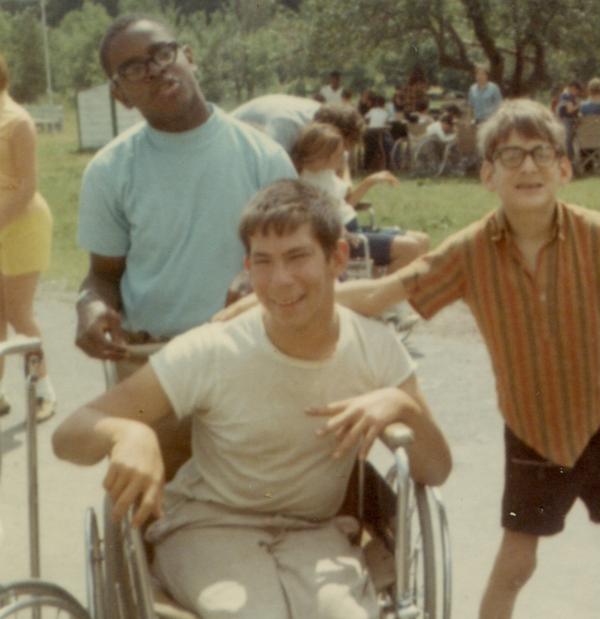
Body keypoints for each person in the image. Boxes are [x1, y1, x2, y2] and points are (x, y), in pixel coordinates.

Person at [216, 98, 600, 618]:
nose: (527, 167)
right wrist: (264, 304)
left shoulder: (596, 234)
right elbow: (381, 293)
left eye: (541, 154)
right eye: (510, 156)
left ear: (564, 169)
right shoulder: (469, 251)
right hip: (531, 428)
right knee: (517, 560)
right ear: (487, 174)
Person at [54, 179, 452, 619]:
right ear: (248, 267)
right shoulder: (212, 351)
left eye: (298, 256)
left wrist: (401, 406)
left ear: (337, 258)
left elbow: (435, 468)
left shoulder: (376, 349)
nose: (280, 280)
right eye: (264, 262)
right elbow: (70, 433)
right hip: (209, 527)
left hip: (315, 533)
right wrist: (124, 431)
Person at [76, 15, 296, 362]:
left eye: (162, 54)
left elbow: (298, 256)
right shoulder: (108, 170)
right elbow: (103, 275)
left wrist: (258, 275)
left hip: (252, 349)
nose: (154, 70)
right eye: (133, 68)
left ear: (189, 57)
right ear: (120, 95)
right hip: (151, 355)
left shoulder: (264, 156)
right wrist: (90, 305)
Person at [0, 53, 56, 420]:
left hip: (22, 225)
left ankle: (42, 391)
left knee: (20, 313)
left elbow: (27, 186)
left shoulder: (17, 121)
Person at [291, 122, 423, 269]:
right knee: (409, 248)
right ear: (321, 156)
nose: (343, 157)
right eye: (339, 154)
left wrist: (370, 181)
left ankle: (409, 290)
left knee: (422, 240)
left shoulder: (325, 173)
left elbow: (347, 202)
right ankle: (384, 290)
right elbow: (316, 219)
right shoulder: (306, 184)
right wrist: (339, 229)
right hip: (345, 238)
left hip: (355, 229)